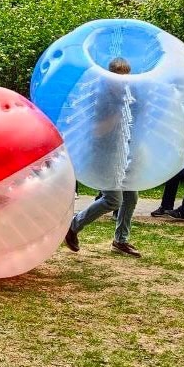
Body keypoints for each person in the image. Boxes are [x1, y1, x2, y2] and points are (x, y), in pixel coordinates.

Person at [64, 57, 142, 258]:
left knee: (131, 197)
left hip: (121, 154)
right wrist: (118, 114)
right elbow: (97, 131)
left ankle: (120, 241)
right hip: (104, 156)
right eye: (119, 78)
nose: (123, 82)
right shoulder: (102, 99)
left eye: (126, 78)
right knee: (113, 200)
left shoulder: (125, 97)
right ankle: (73, 226)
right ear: (110, 78)